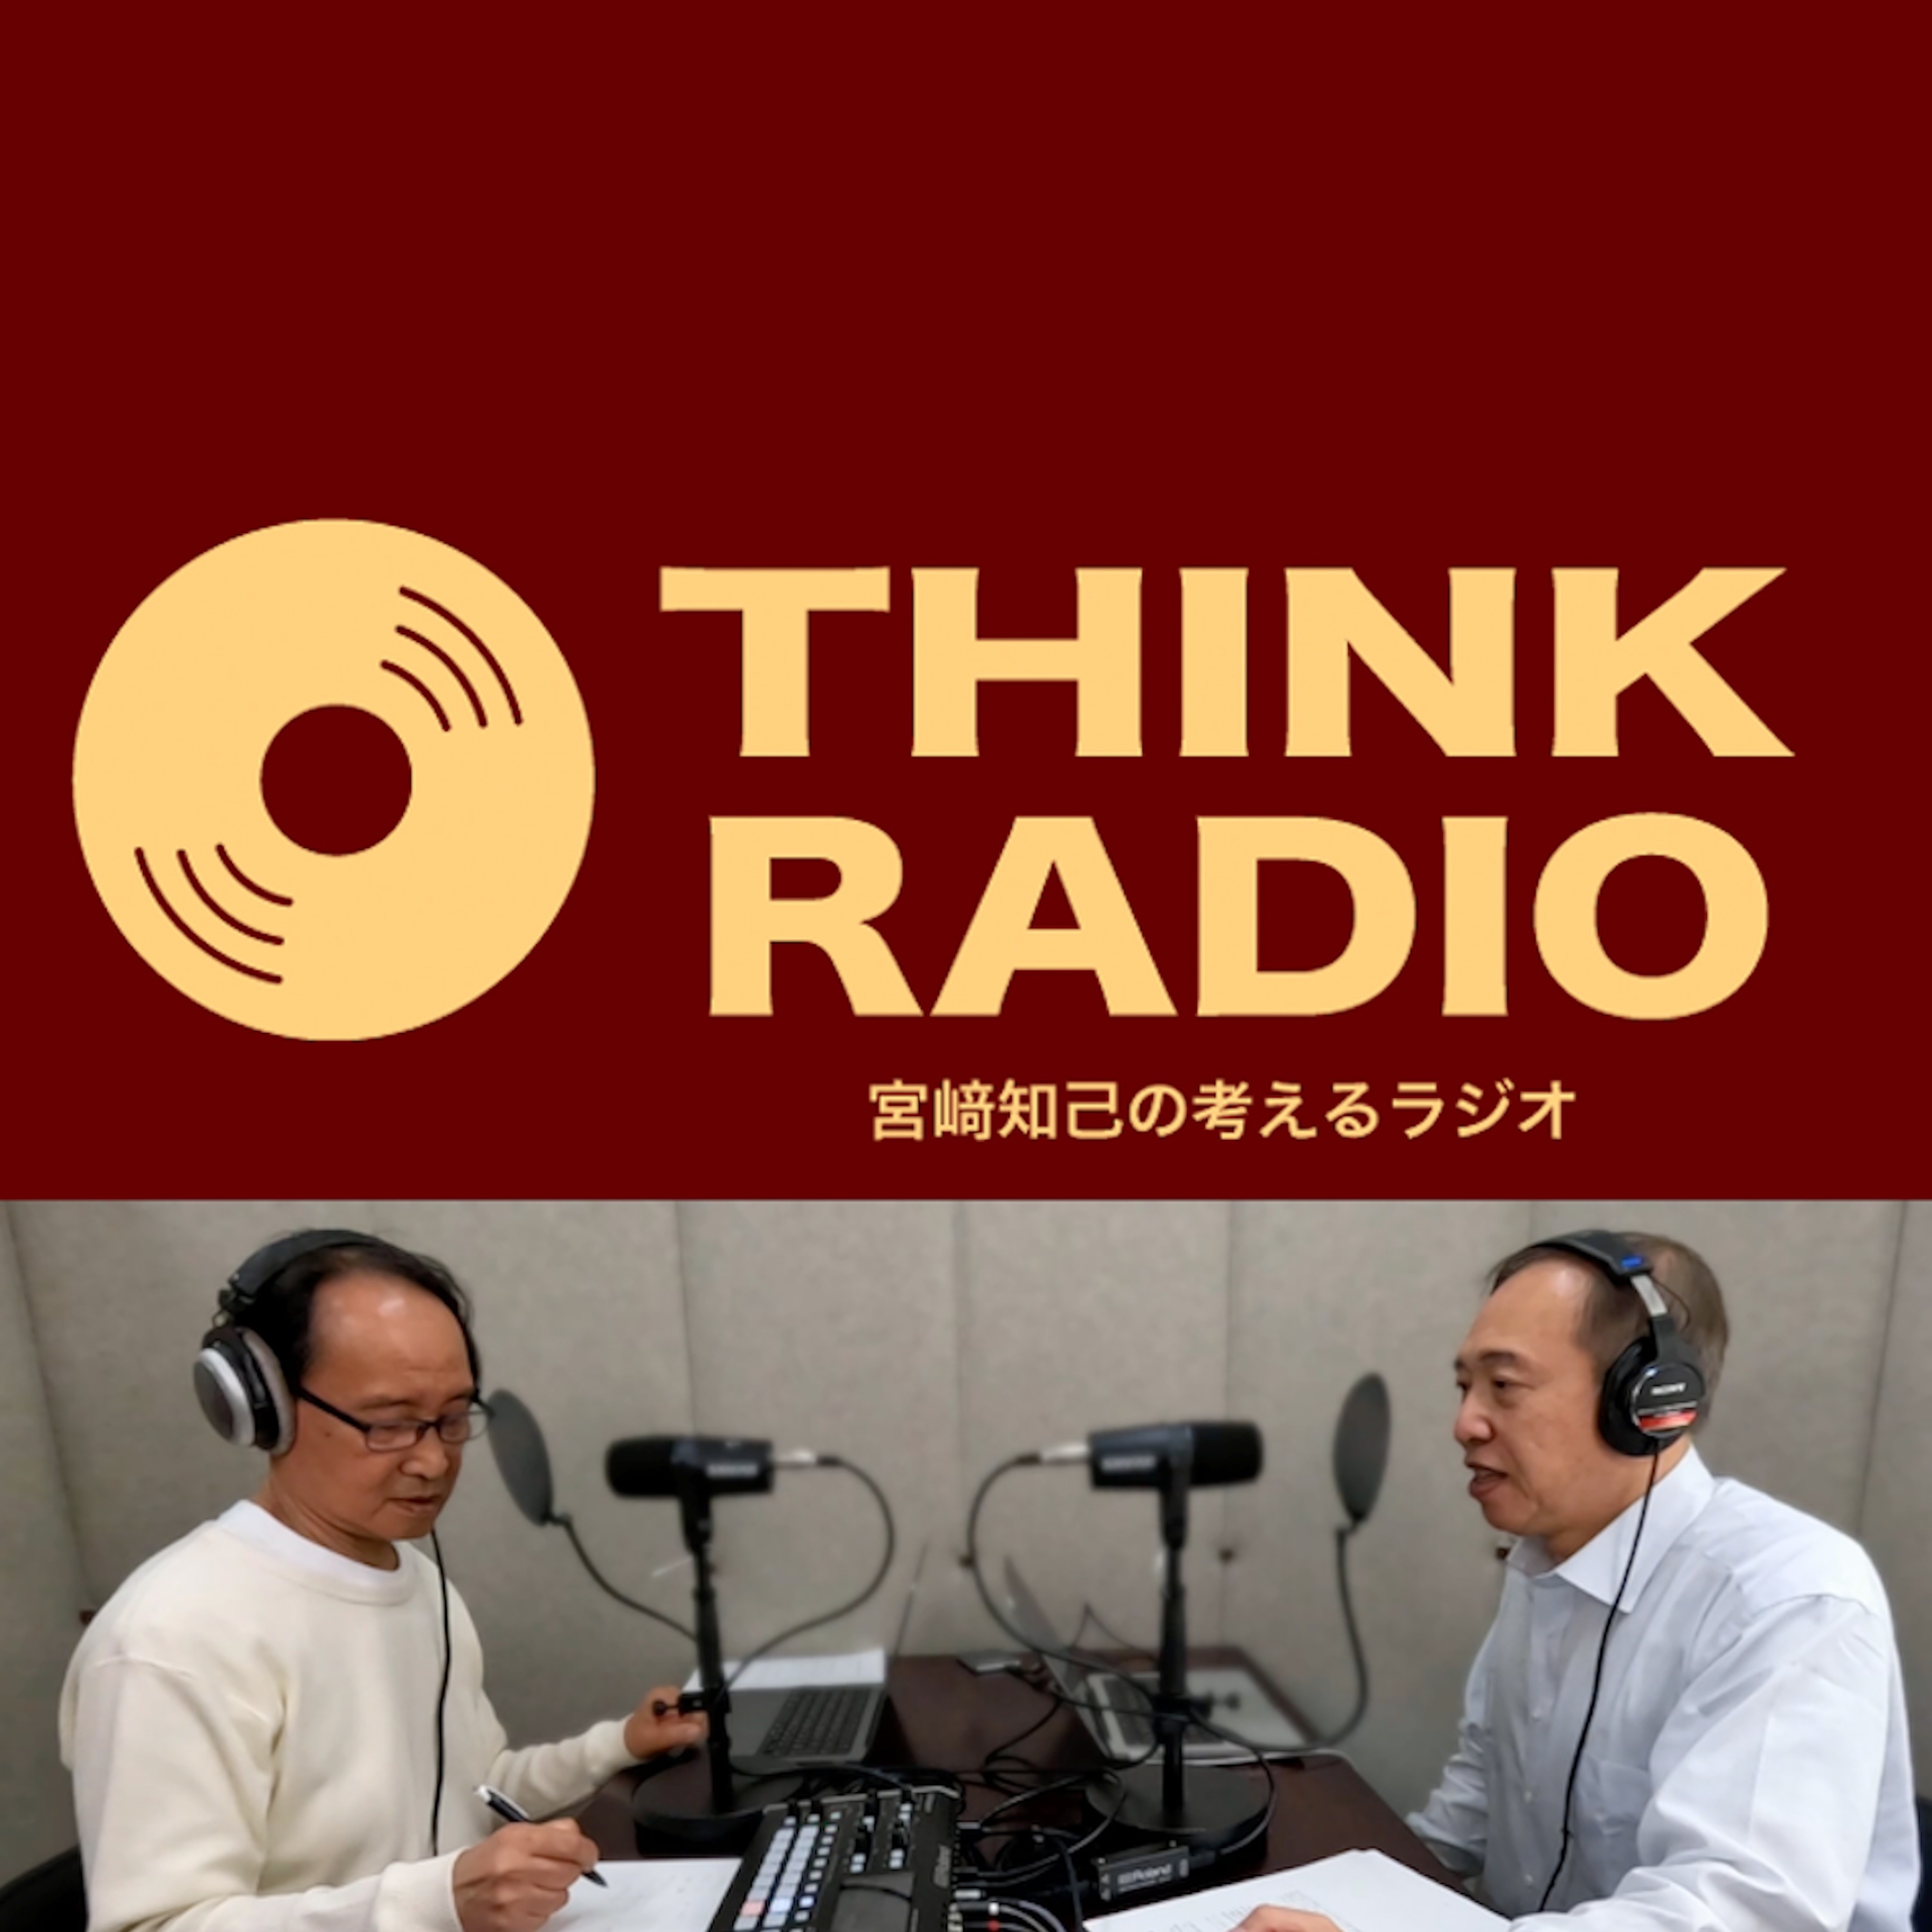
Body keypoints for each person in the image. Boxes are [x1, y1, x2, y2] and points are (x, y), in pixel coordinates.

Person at [1236, 1229, 1918, 1931]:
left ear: (1648, 1399)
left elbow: (1736, 1913)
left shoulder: (1788, 1598)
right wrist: (1338, 1900)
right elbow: (1476, 1803)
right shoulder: (1544, 1560)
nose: (1464, 1424)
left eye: (1504, 1386)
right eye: (1465, 1387)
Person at [61, 1230, 708, 1932]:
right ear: (266, 1410)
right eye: (390, 1424)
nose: (434, 1461)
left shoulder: (419, 1583)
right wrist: (437, 1901)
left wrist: (619, 1746)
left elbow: (475, 1792)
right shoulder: (169, 1638)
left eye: (453, 1419)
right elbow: (156, 1926)